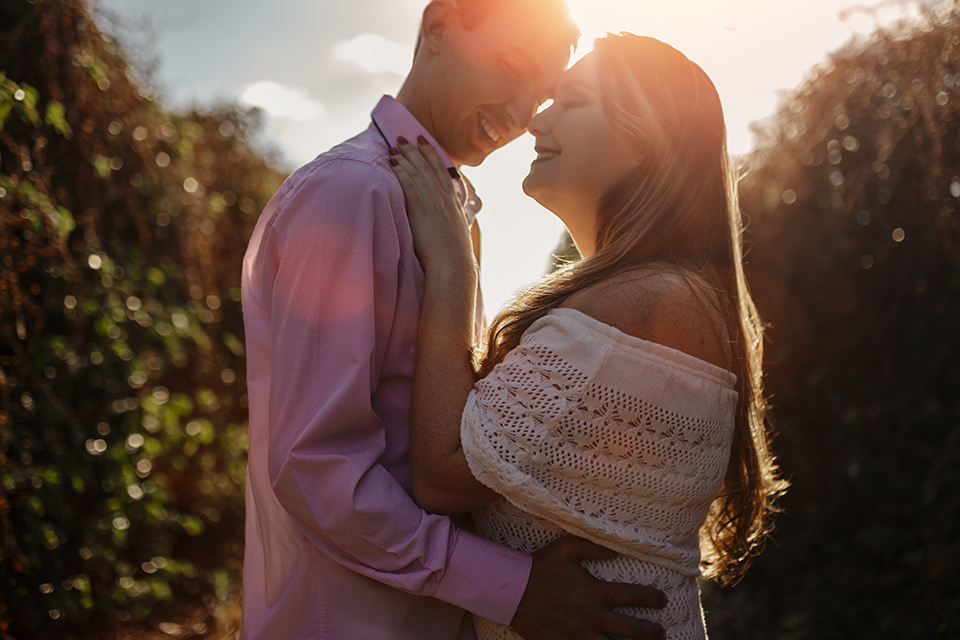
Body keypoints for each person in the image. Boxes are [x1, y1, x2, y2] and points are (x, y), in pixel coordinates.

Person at [239, 2, 669, 638]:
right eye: (509, 67)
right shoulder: (354, 193)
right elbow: (318, 468)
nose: (523, 113)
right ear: (438, 29)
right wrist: (513, 589)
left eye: (544, 92)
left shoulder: (440, 207)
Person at [388, 32, 787, 639]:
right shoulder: (670, 292)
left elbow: (442, 474)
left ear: (641, 138)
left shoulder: (642, 304)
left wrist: (451, 271)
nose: (536, 121)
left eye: (570, 102)